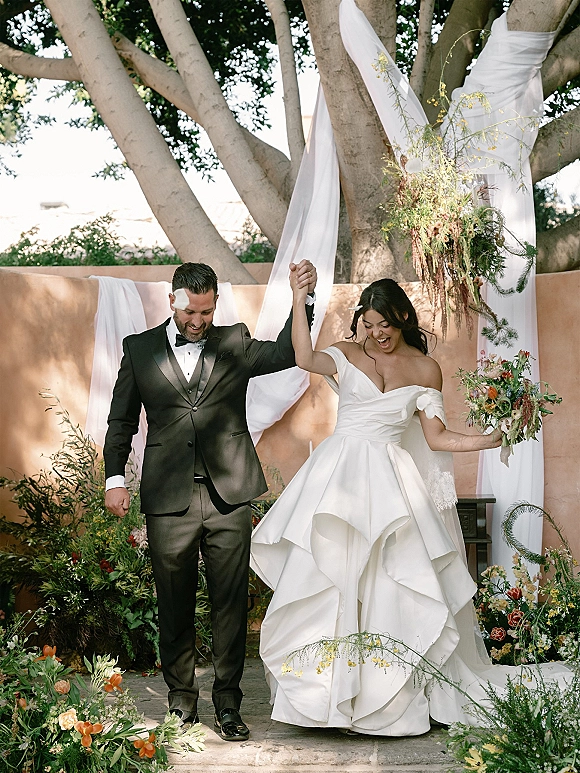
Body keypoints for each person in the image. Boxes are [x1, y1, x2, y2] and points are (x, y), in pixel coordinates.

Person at [250, 275, 508, 736]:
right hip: (339, 478)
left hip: (391, 482)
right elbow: (303, 357)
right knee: (330, 578)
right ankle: (326, 699)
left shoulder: (426, 369)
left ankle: (383, 700)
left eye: (384, 324)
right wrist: (298, 297)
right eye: (368, 325)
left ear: (403, 317)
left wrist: (489, 439)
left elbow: (437, 438)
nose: (376, 334)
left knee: (389, 582)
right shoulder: (347, 354)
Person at [103, 260, 317, 742]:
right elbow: (122, 422)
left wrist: (301, 298)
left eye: (206, 311)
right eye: (189, 312)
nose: (197, 321)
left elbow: (287, 352)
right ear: (172, 301)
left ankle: (228, 705)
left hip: (229, 496)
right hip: (168, 499)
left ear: (215, 303)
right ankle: (181, 702)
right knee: (173, 603)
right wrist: (115, 478)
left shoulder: (234, 342)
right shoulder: (139, 349)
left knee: (230, 605)